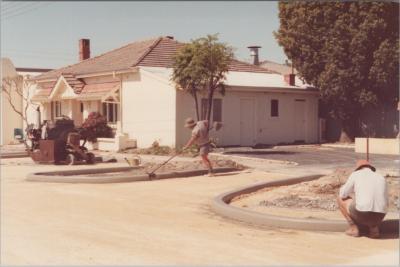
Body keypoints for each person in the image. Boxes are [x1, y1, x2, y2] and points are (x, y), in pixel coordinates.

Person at [337, 159, 388, 238]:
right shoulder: (381, 177)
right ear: (371, 168)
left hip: (362, 214)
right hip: (380, 217)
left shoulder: (356, 174)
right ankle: (374, 230)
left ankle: (353, 228)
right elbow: (385, 201)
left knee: (339, 198)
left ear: (358, 168)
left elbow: (343, 194)